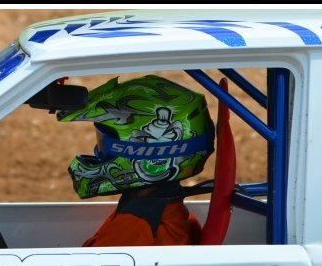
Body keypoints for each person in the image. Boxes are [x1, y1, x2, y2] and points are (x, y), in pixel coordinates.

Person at [56, 75, 215, 247]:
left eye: (105, 144)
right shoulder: (168, 212)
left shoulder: (135, 227)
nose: (99, 153)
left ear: (146, 150)